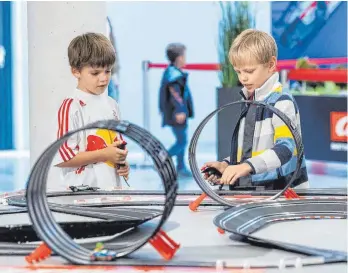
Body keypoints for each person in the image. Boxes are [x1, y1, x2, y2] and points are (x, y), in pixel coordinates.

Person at [202, 29, 308, 190]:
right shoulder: (250, 101)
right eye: (238, 72)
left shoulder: (282, 101)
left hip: (283, 194)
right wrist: (228, 165)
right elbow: (251, 152)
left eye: (249, 71)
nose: (243, 78)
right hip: (257, 194)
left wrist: (244, 167)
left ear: (271, 65)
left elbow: (285, 149)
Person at [54, 32, 130, 190]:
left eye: (108, 71)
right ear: (76, 72)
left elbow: (116, 146)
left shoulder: (112, 105)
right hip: (82, 195)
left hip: (112, 193)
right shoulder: (71, 106)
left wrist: (121, 162)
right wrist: (104, 154)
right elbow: (62, 157)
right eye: (95, 73)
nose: (103, 78)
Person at [159, 43, 194, 177]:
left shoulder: (173, 73)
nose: (185, 59)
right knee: (182, 141)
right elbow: (176, 96)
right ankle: (162, 160)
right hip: (177, 114)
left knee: (182, 139)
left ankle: (180, 166)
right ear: (179, 58)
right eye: (184, 56)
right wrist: (180, 110)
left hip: (179, 113)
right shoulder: (174, 75)